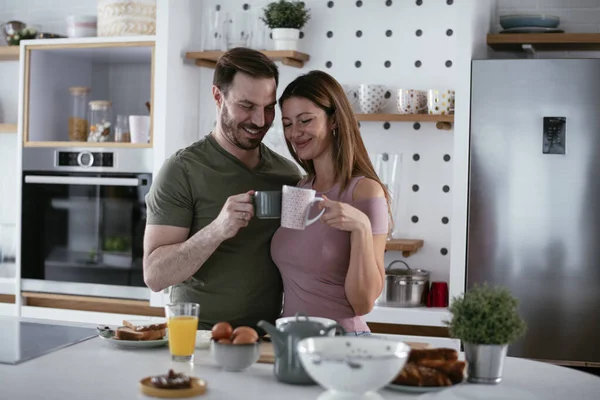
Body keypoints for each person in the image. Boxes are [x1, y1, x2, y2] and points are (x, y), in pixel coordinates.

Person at [143, 48, 302, 331]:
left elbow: (302, 260)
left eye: (268, 107)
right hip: (197, 336)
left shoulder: (288, 175)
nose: (260, 120)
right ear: (218, 97)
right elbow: (155, 275)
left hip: (267, 337)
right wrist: (217, 230)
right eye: (246, 106)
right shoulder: (182, 170)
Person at [271, 70, 390, 336]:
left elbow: (363, 303)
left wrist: (360, 227)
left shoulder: (365, 192)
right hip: (292, 341)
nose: (295, 133)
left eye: (305, 121)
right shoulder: (299, 189)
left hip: (342, 342)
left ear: (334, 120)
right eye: (288, 123)